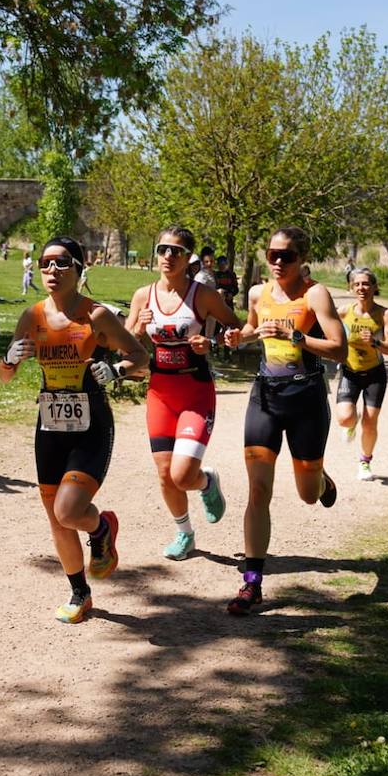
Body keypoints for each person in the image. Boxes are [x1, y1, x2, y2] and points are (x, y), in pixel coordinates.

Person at [0, 236, 148, 623]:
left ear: (80, 270)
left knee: (68, 510)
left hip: (91, 423)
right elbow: (4, 376)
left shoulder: (96, 316)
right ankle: (80, 593)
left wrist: (115, 370)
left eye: (62, 263)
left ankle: (101, 529)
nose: (51, 270)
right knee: (55, 517)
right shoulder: (32, 317)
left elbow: (139, 356)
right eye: (46, 263)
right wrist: (9, 358)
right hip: (49, 424)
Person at [221, 227, 346, 616]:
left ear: (302, 257)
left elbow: (339, 349)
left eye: (286, 256)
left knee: (308, 494)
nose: (277, 262)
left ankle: (321, 478)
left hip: (306, 398)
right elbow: (252, 327)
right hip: (266, 398)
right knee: (258, 490)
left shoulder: (315, 294)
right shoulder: (259, 293)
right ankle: (252, 583)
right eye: (273, 254)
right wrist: (237, 337)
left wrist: (298, 338)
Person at [126, 227, 241, 561]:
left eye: (176, 251)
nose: (168, 257)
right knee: (165, 474)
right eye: (163, 249)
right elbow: (127, 344)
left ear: (188, 257)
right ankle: (184, 534)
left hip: (195, 391)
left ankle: (206, 483)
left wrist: (213, 342)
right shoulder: (142, 296)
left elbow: (236, 330)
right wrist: (137, 328)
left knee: (182, 475)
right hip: (160, 393)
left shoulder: (203, 295)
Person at [335, 268, 388, 482]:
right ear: (351, 288)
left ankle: (365, 461)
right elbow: (326, 329)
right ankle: (352, 423)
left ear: (374, 287)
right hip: (350, 371)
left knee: (370, 422)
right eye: (357, 284)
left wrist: (375, 342)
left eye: (366, 284)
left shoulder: (384, 314)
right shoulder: (344, 311)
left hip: (375, 374)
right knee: (344, 419)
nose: (362, 288)